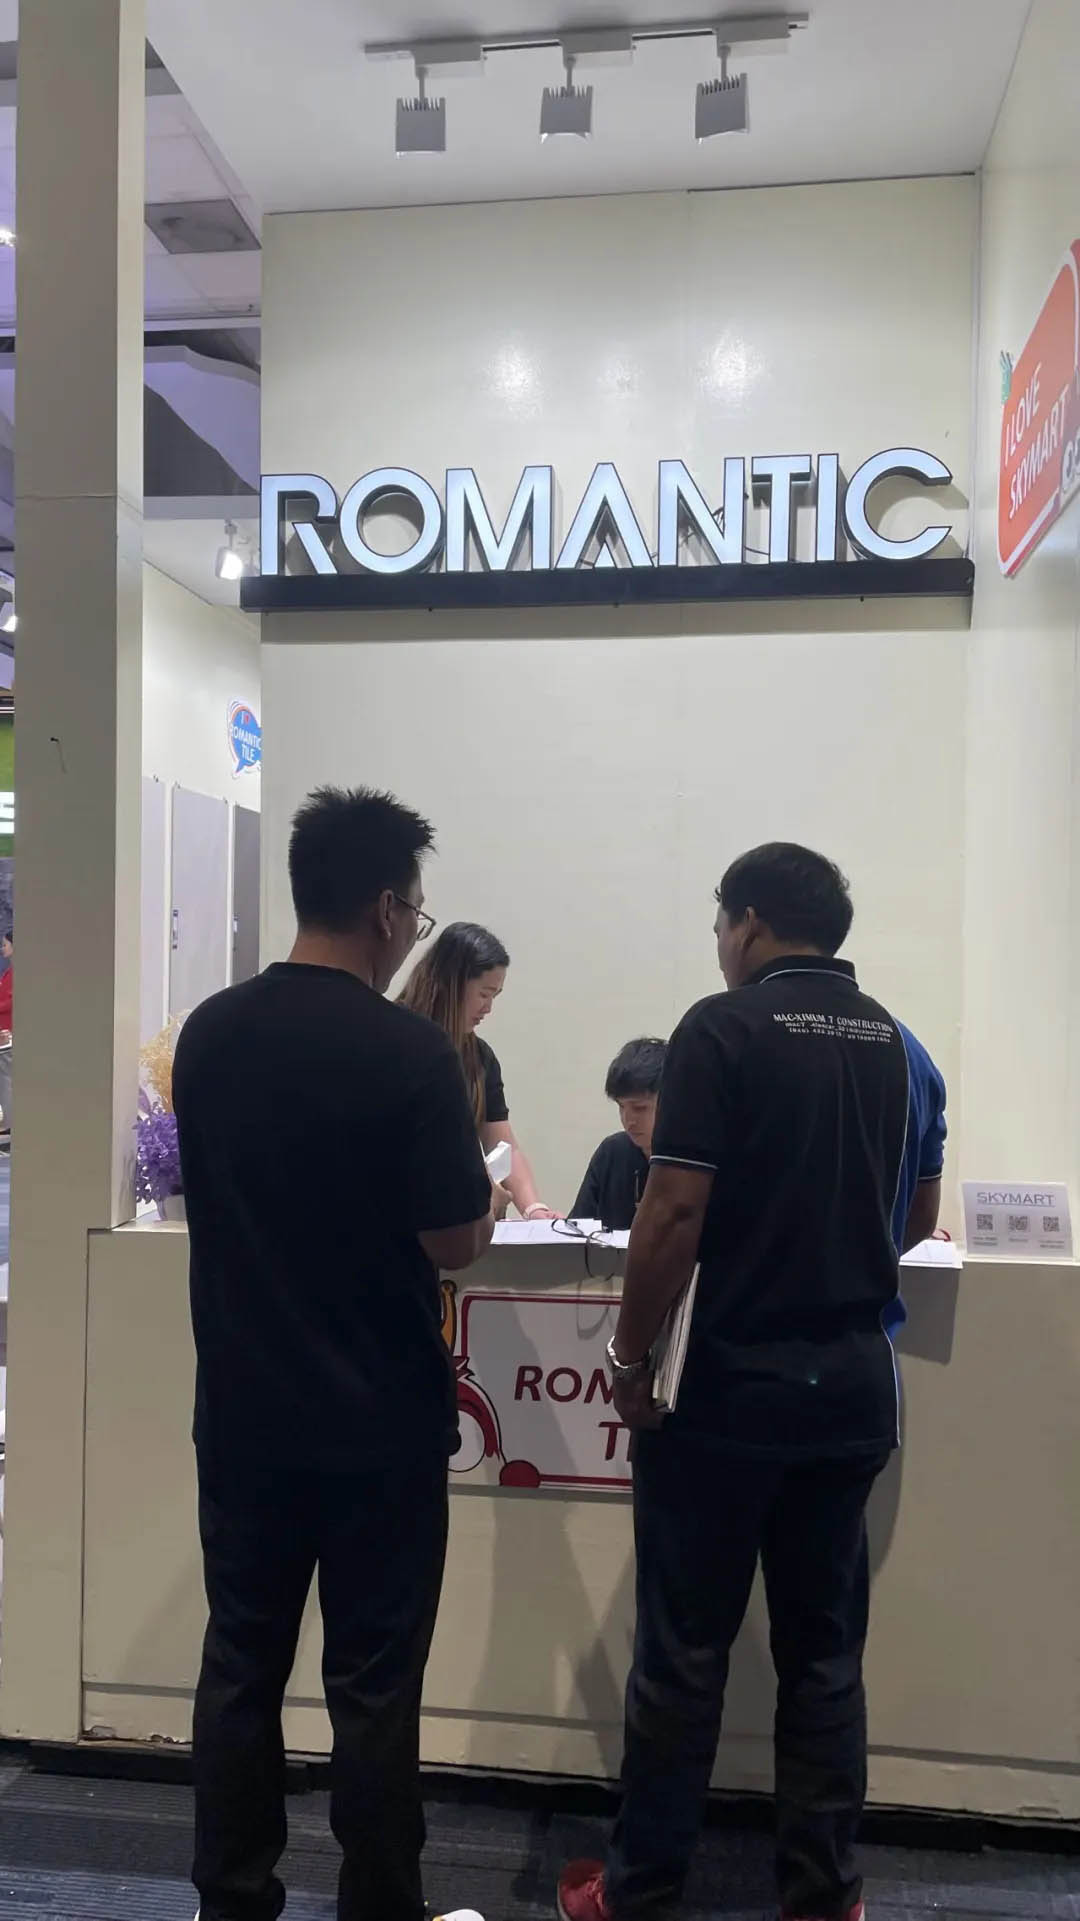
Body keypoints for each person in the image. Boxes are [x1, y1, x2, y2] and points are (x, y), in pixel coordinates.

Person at [559, 843, 910, 1921]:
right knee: (825, 1657)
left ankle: (640, 1890)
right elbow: (904, 1207)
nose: (719, 942)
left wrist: (628, 1359)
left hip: (730, 1391)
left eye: (720, 922)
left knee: (682, 1654)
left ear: (748, 921)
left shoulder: (721, 1029)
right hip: (851, 1385)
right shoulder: (887, 1037)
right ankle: (825, 1894)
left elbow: (671, 1210)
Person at [173, 786, 494, 1921]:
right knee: (373, 1684)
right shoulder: (411, 1053)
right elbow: (454, 1239)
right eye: (415, 909)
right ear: (386, 909)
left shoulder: (210, 1033)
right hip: (380, 1422)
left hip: (245, 1410)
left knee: (239, 1664)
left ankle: (231, 1899)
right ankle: (380, 1904)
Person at [399, 920, 557, 1221]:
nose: (488, 1008)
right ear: (452, 983)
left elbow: (503, 1146)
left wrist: (533, 1208)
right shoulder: (393, 1038)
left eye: (495, 996)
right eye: (484, 994)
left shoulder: (479, 1056)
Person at [570, 1038, 667, 1229]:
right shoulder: (611, 1153)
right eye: (621, 1106)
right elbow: (577, 1229)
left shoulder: (693, 1161)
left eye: (639, 1108)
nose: (628, 1120)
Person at [0, 925, 13, 1148]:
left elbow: (12, 1001)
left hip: (8, 1034)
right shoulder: (9, 972)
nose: (2, 948)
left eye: (5, 944)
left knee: (7, 1080)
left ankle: (11, 1125)